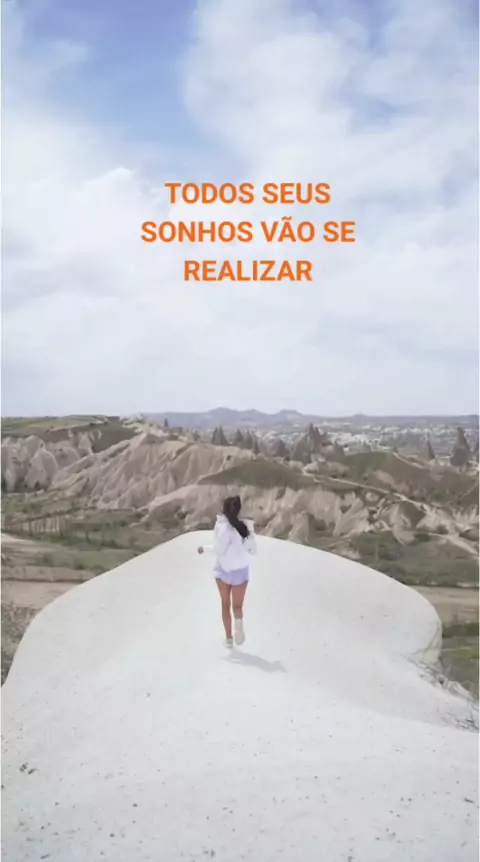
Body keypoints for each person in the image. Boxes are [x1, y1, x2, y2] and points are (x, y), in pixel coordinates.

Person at [198, 496, 256, 648]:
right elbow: (254, 550)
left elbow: (218, 549)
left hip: (224, 571)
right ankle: (239, 625)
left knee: (225, 604)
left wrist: (203, 548)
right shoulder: (246, 526)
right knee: (237, 607)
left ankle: (229, 639)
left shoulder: (222, 526)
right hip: (241, 572)